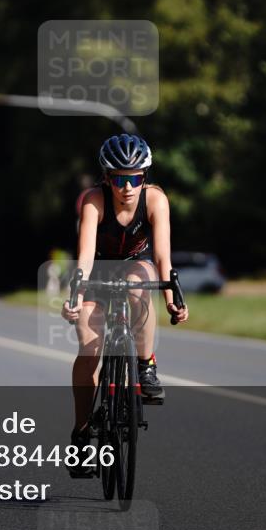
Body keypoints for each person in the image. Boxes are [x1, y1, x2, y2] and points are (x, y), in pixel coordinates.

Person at [60, 134, 189, 471]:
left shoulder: (156, 201)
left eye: (135, 178)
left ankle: (145, 366)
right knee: (89, 350)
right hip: (98, 273)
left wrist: (173, 298)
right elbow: (85, 257)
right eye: (119, 178)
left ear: (144, 177)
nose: (127, 186)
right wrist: (74, 297)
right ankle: (82, 433)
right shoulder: (94, 201)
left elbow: (163, 257)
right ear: (107, 178)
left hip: (137, 265)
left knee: (138, 283)